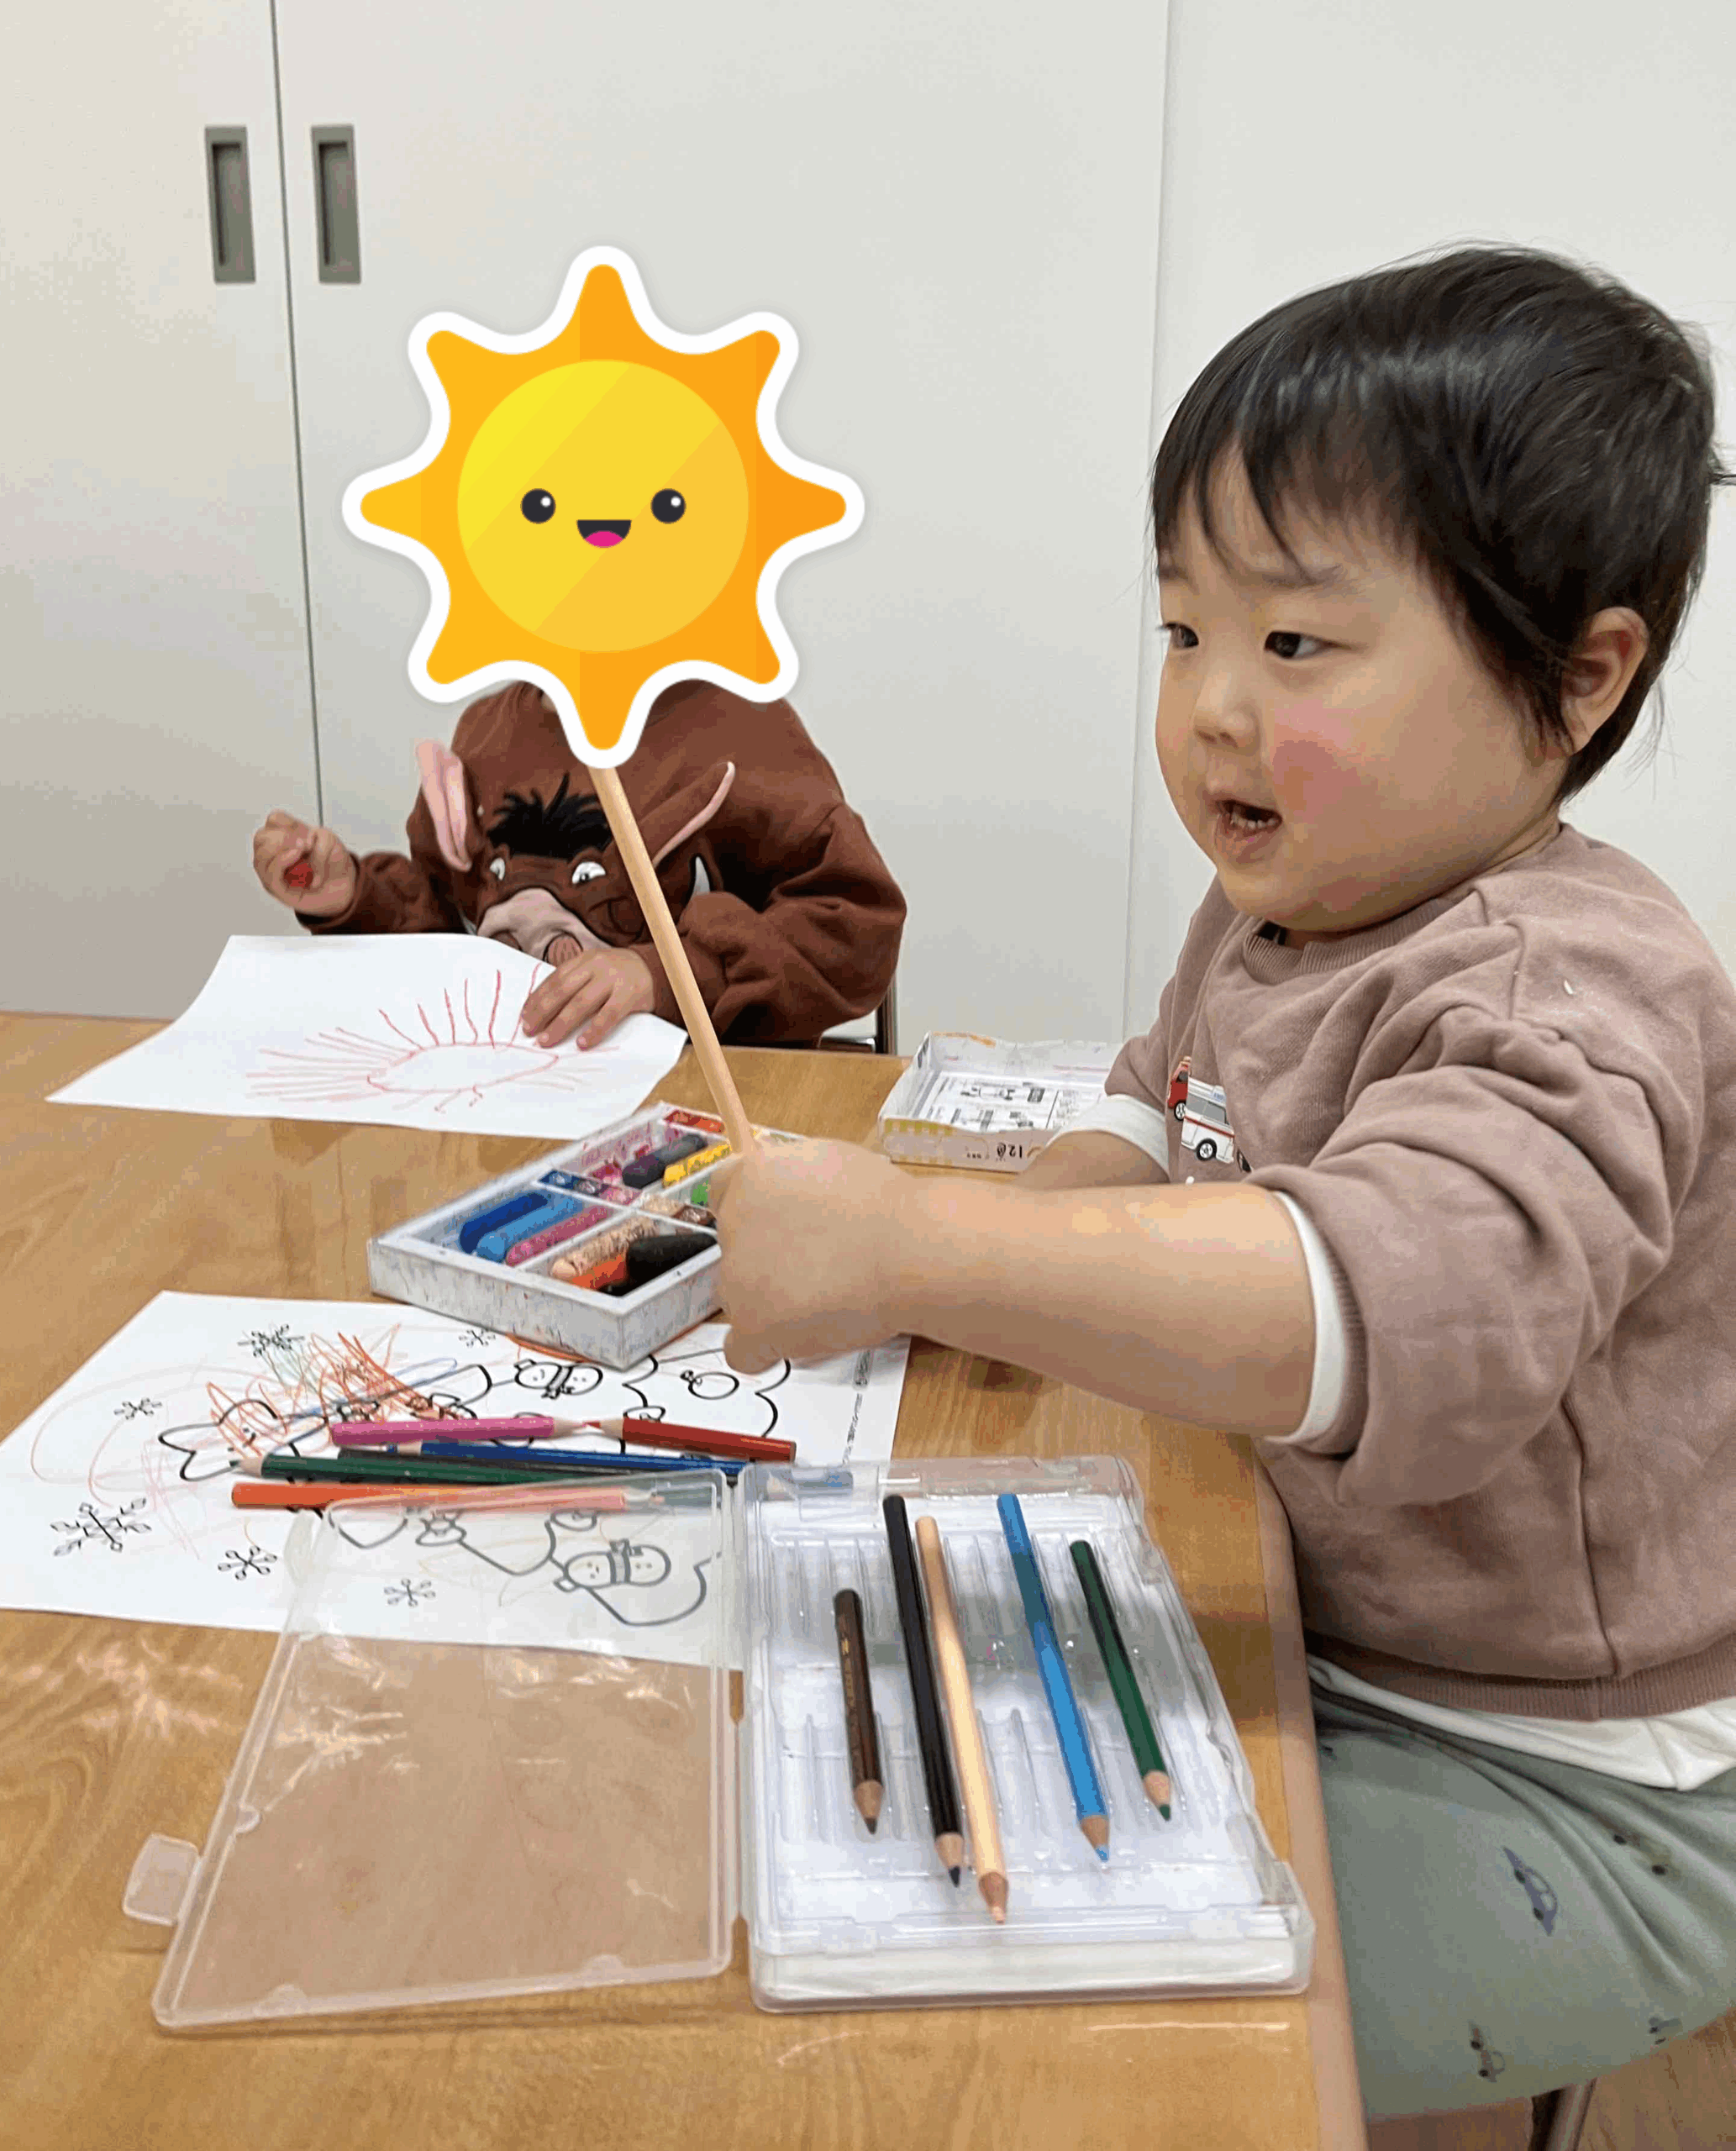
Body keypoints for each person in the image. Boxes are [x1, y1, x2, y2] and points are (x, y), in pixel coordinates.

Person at [713, 247, 1736, 2124]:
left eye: (1295, 645)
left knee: (1008, 2026)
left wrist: (922, 1241)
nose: (1206, 707)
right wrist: (1019, 1220)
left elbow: (1398, 1306)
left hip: (1564, 1781)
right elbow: (1157, 1105)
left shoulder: (1570, 983)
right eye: (1183, 630)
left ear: (1579, 681)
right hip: (1314, 1621)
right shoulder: (1286, 904)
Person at [252, 677, 903, 1049]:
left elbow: (854, 925)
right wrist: (353, 899)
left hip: (705, 1119)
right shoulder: (485, 731)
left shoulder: (738, 726)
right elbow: (451, 938)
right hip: (514, 1115)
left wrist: (667, 976)